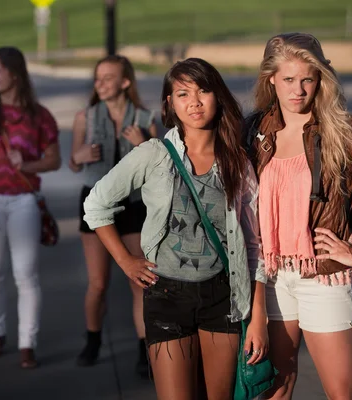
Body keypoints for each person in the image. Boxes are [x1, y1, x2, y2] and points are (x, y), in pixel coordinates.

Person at [245, 33, 352, 399]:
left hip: (323, 279)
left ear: (321, 79)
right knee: (275, 389)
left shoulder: (344, 129)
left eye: (307, 79)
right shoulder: (257, 132)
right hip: (273, 276)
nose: (298, 90)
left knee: (343, 392)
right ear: (271, 79)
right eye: (288, 80)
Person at [83, 58, 268, 399]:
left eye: (203, 91)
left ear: (218, 97)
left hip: (222, 297)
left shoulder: (237, 162)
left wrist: (258, 317)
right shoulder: (154, 154)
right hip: (166, 297)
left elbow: (255, 245)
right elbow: (96, 205)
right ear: (169, 104)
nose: (194, 101)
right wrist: (125, 260)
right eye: (183, 93)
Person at [0, 46, 61, 369]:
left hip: (23, 201)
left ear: (14, 74)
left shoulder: (39, 116)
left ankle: (26, 343)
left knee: (25, 273)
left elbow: (54, 159)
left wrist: (28, 164)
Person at [68, 55, 157, 376]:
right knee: (99, 283)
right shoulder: (84, 118)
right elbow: (74, 164)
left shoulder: (145, 118)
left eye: (108, 78)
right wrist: (78, 156)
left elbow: (161, 167)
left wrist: (144, 143)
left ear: (125, 82)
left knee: (141, 281)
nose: (100, 83)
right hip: (95, 204)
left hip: (134, 205)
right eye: (97, 78)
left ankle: (143, 350)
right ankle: (92, 340)